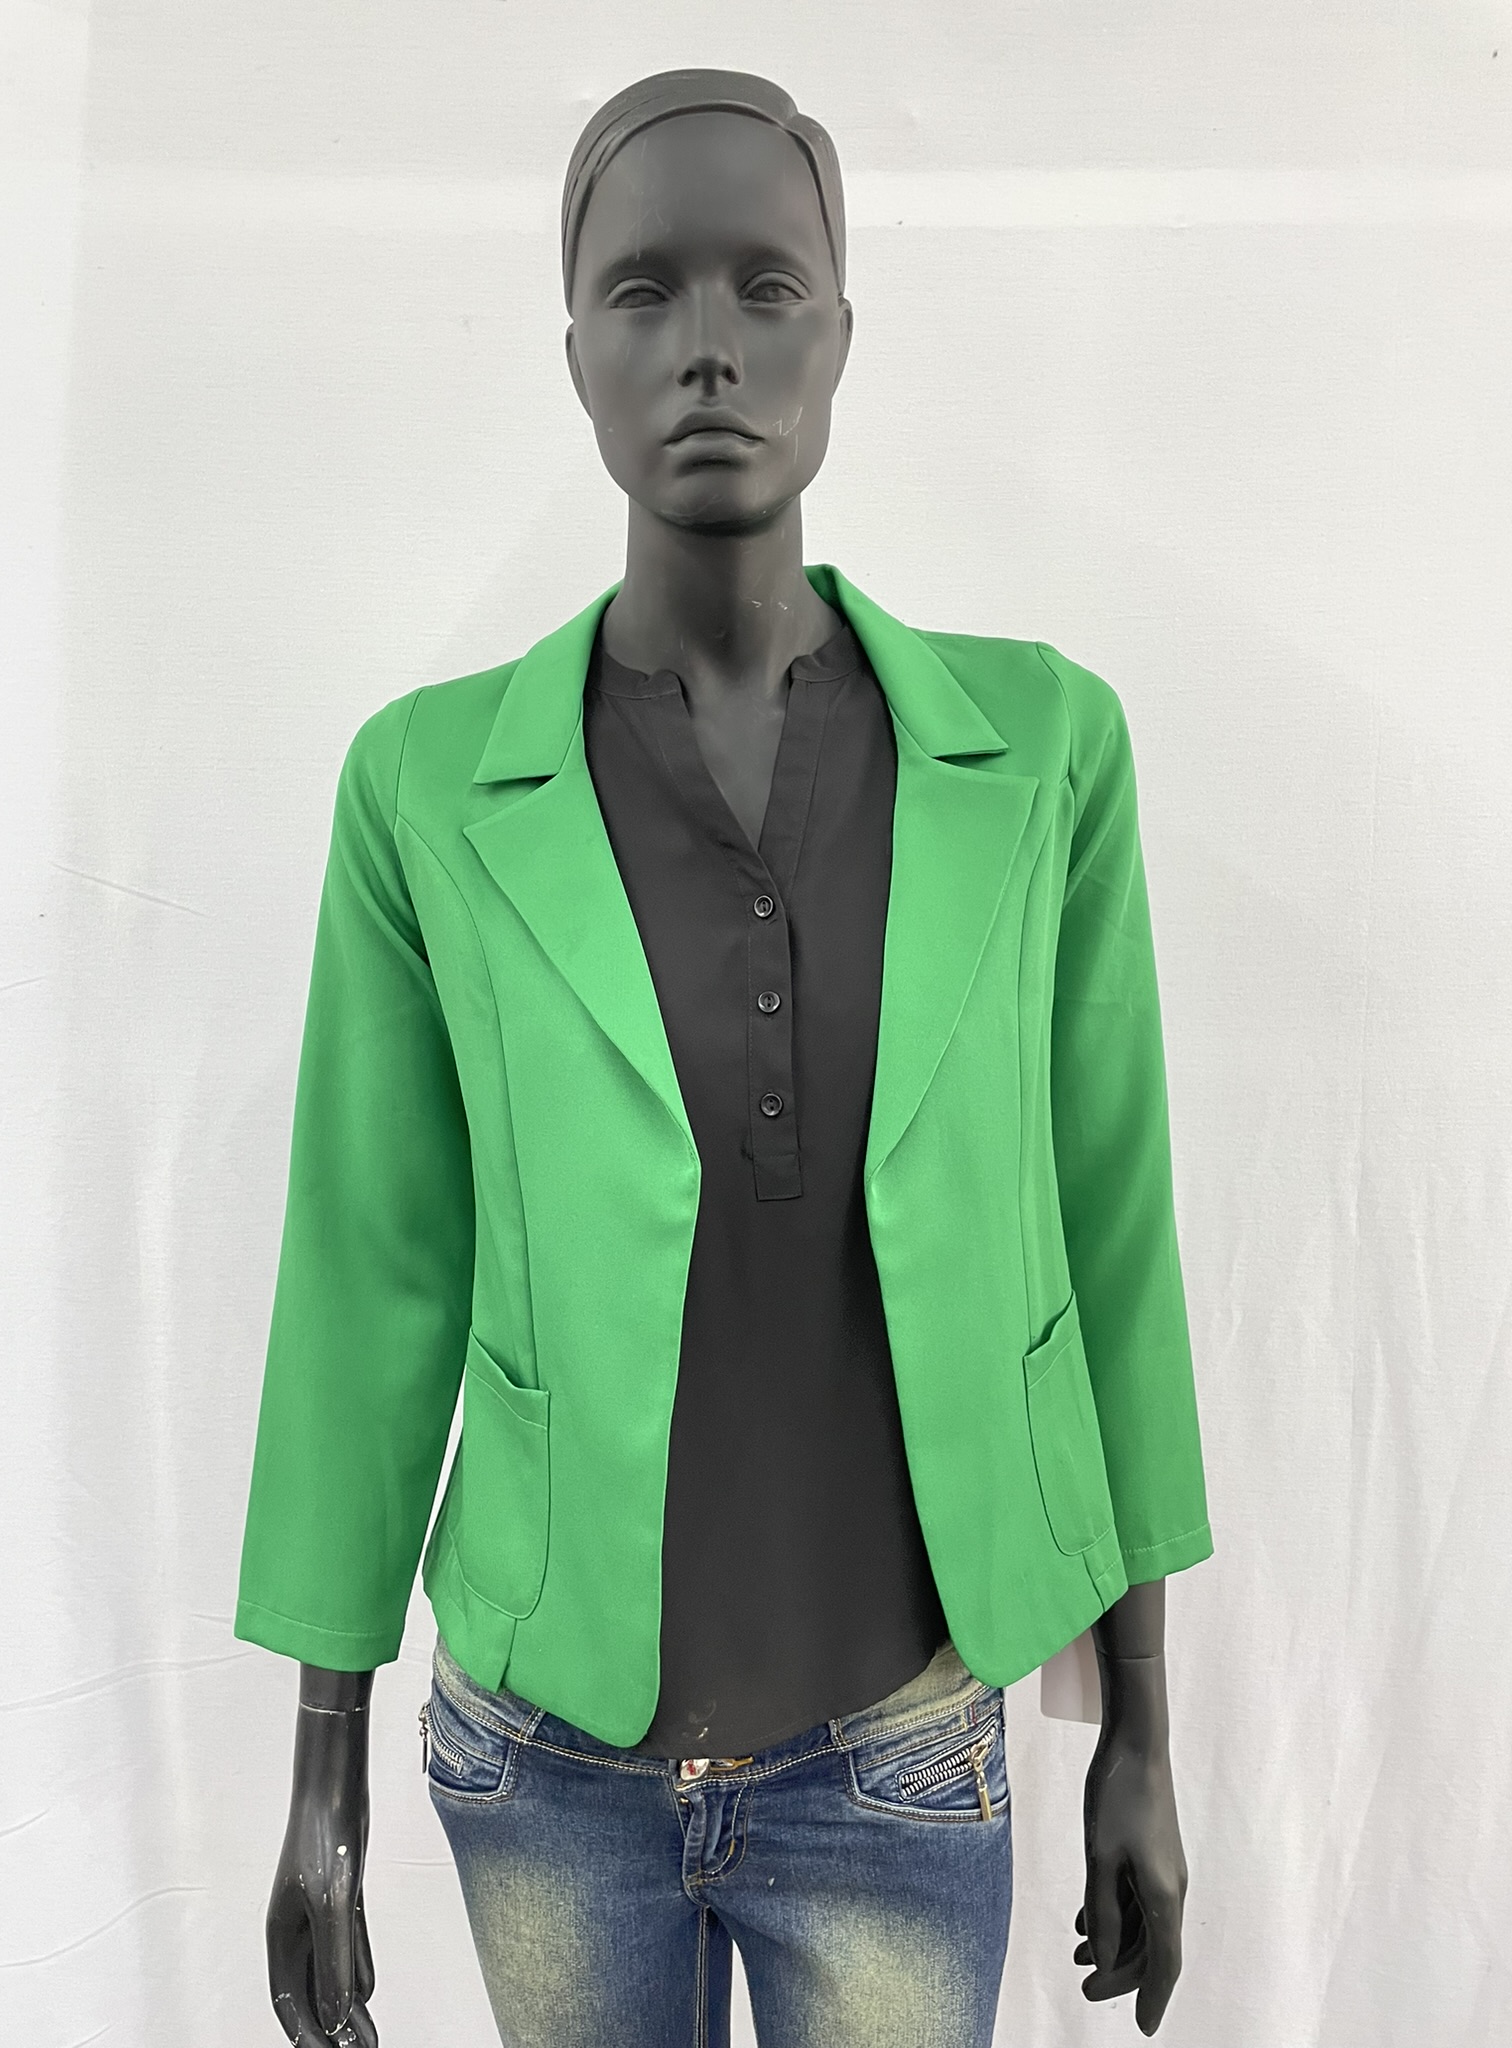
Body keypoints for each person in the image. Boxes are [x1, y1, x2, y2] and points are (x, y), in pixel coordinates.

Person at [236, 69, 1213, 2048]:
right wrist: (320, 1766)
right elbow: (371, 1275)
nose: (708, 348)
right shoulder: (426, 789)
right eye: (643, 291)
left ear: (842, 331)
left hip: (900, 1742)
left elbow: (1112, 1242)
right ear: (574, 355)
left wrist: (1142, 1726)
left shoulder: (1043, 758)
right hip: (545, 1762)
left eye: (767, 288)